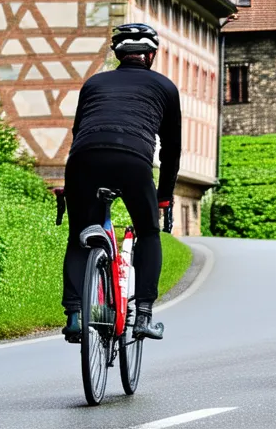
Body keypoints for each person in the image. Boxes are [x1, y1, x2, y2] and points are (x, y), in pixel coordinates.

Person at [61, 23, 178, 342]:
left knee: (79, 235)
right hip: (133, 160)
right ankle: (143, 316)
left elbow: (78, 134)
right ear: (151, 56)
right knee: (148, 232)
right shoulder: (165, 87)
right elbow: (171, 149)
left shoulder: (94, 83)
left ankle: (74, 315)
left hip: (84, 160)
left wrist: (71, 184)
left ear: (117, 54)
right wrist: (164, 197)